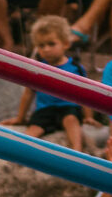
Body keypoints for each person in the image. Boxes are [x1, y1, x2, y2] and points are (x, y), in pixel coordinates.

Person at [13, 15, 90, 150]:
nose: (46, 49)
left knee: (71, 120)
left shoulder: (75, 68)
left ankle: (77, 152)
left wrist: (88, 117)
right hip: (45, 109)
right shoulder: (37, 69)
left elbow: (86, 95)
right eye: (41, 45)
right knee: (34, 128)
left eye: (51, 44)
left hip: (68, 107)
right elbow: (28, 94)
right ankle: (20, 150)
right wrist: (20, 118)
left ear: (65, 43)